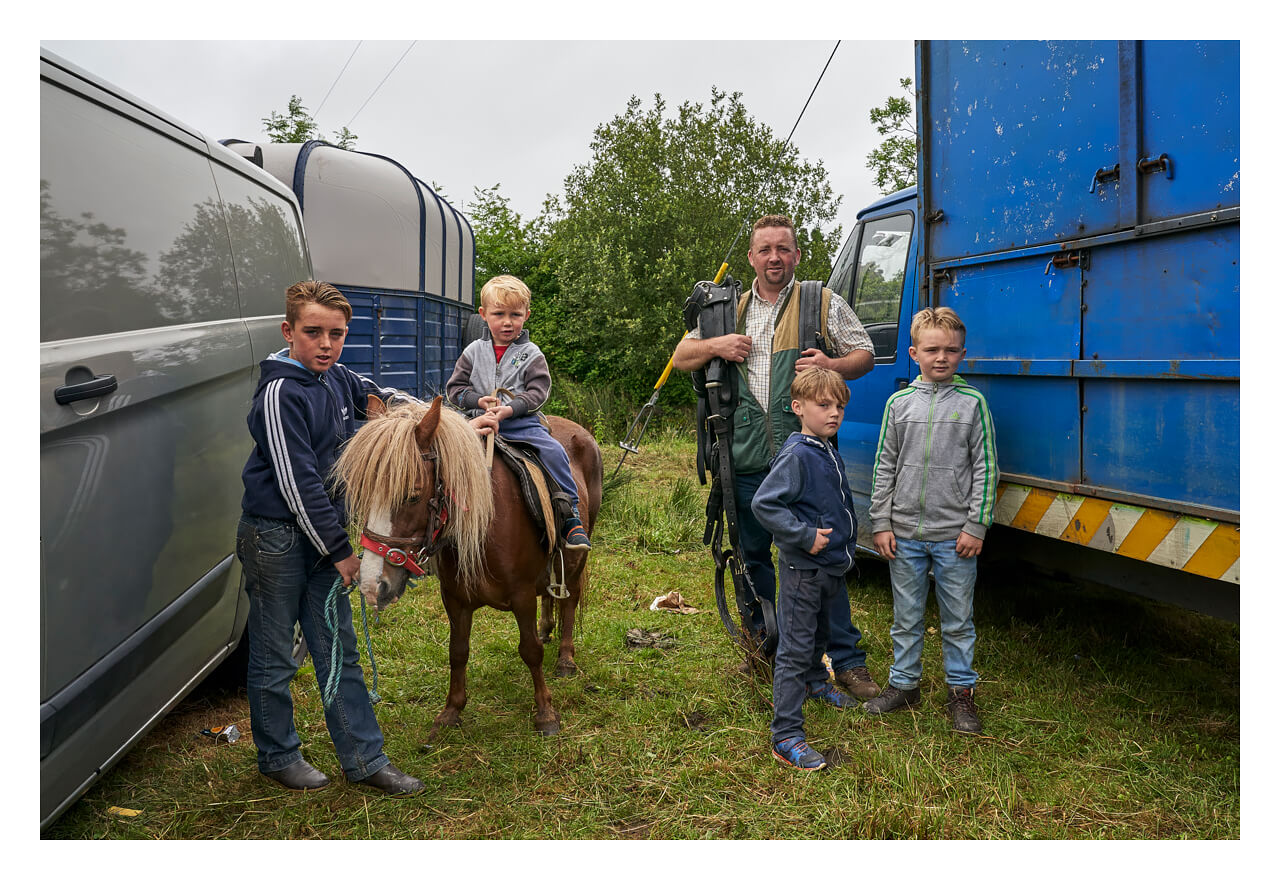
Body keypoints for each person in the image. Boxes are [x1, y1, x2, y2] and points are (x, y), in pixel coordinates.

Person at [672, 214, 879, 697]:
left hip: (803, 454)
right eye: (764, 249)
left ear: (797, 255)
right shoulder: (729, 309)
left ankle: (847, 661)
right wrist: (716, 345)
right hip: (741, 454)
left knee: (823, 556)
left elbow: (864, 353)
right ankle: (768, 647)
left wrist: (831, 362)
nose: (774, 258)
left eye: (783, 249)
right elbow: (682, 358)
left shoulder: (820, 300)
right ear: (751, 257)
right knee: (752, 555)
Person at [237, 280, 425, 795]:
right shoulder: (281, 392)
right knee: (275, 654)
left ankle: (365, 760)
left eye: (336, 334)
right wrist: (341, 551)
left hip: (321, 540)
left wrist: (444, 420)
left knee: (338, 648)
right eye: (313, 332)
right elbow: (297, 485)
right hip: (276, 538)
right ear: (288, 331)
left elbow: (389, 397)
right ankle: (278, 754)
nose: (325, 344)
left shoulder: (337, 378)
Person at [863, 307, 998, 734]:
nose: (941, 357)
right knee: (906, 615)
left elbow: (987, 468)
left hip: (954, 536)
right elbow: (884, 465)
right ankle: (904, 684)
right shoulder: (898, 404)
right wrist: (881, 522)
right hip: (903, 534)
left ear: (962, 354)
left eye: (951, 350)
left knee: (958, 618)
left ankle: (961, 692)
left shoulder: (973, 404)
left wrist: (976, 525)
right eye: (932, 349)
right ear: (914, 353)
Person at [751, 368, 861, 770]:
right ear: (798, 408)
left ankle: (817, 682)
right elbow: (765, 504)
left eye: (840, 407)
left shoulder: (827, 449)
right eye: (824, 405)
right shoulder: (798, 454)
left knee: (821, 635)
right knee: (795, 650)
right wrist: (802, 534)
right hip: (803, 569)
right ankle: (786, 735)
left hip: (829, 568)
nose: (834, 414)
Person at [446, 274, 590, 550]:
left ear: (527, 315)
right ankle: (445, 520)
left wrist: (509, 409)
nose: (507, 322)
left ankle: (569, 515)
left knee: (554, 452)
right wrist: (480, 402)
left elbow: (539, 392)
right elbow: (455, 390)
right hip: (479, 422)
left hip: (521, 424)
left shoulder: (531, 353)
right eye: (499, 314)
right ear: (483, 315)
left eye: (515, 314)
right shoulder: (473, 352)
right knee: (445, 457)